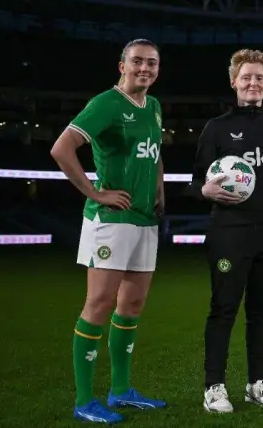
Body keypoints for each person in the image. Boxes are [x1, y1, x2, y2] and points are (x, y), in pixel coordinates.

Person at [50, 39, 167, 424]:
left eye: (151, 63)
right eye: (137, 62)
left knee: (131, 305)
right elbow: (62, 148)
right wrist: (95, 192)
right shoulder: (106, 103)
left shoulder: (152, 106)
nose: (144, 69)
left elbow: (154, 151)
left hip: (144, 219)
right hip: (111, 222)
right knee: (99, 304)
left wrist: (160, 190)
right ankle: (85, 400)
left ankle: (120, 391)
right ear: (122, 65)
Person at [191, 49, 263, 413]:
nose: (253, 83)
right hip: (229, 233)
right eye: (246, 77)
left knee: (261, 312)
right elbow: (194, 182)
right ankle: (214, 386)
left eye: (260, 77)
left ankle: (257, 383)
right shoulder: (215, 128)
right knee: (223, 310)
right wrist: (204, 190)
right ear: (234, 81)